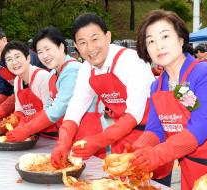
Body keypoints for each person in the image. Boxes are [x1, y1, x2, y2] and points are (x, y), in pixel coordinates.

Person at [130, 10, 207, 189]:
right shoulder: (157, 86)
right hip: (187, 166)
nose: (159, 46)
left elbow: (199, 129)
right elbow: (156, 129)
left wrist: (156, 155)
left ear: (181, 39)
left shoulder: (206, 74)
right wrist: (138, 150)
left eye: (165, 36)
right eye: (151, 41)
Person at [51, 12, 154, 164]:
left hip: (150, 135)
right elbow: (76, 107)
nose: (90, 47)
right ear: (77, 46)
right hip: (119, 135)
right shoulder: (86, 68)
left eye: (95, 39)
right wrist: (63, 142)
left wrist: (98, 141)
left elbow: (134, 115)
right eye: (83, 42)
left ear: (108, 37)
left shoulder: (131, 60)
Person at [5, 27, 82, 142]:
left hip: (87, 135)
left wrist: (27, 129)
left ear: (61, 47)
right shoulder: (52, 74)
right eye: (40, 52)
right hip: (68, 136)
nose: (45, 56)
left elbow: (56, 110)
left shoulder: (72, 70)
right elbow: (48, 108)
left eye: (48, 49)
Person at [0, 41, 51, 134]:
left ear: (28, 58)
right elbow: (19, 111)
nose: (14, 62)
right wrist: (10, 122)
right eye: (9, 59)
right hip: (33, 133)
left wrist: (25, 125)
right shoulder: (17, 81)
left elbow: (49, 111)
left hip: (52, 134)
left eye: (17, 57)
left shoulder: (42, 76)